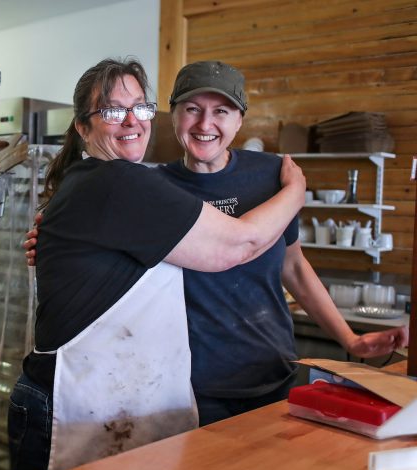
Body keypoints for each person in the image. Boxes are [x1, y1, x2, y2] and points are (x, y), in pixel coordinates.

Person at [24, 60, 408, 432]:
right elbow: (234, 245)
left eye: (222, 111)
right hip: (188, 387)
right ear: (172, 117)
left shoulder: (269, 176)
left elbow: (293, 265)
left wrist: (350, 338)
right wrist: (297, 191)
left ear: (240, 120)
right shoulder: (153, 185)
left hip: (274, 372)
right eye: (192, 109)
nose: (205, 124)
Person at [8, 57, 306, 470]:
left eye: (139, 108)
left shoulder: (103, 180)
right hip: (72, 405)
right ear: (82, 127)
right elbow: (239, 244)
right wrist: (296, 190)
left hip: (95, 402)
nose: (131, 121)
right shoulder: (119, 182)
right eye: (112, 111)